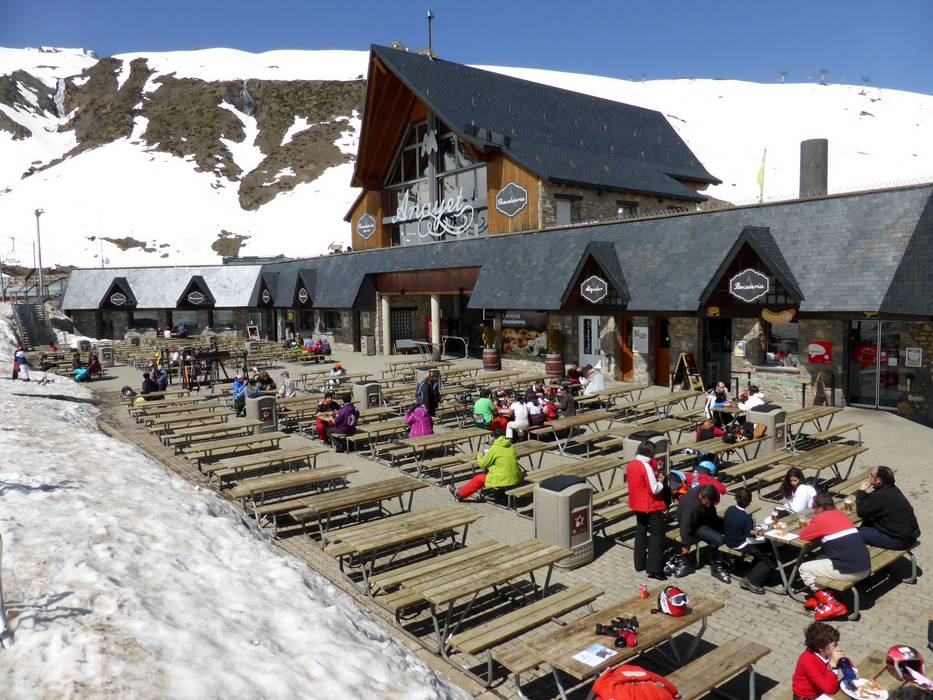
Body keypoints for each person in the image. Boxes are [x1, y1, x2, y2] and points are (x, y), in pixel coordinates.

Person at [798, 490, 871, 620]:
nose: (813, 509)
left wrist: (811, 525)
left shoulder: (820, 519)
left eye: (814, 507)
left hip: (852, 571)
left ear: (820, 508)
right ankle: (822, 596)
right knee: (820, 558)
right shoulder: (841, 514)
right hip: (865, 566)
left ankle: (830, 603)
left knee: (804, 568)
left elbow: (803, 536)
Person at [626, 443, 668, 580]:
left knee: (641, 530)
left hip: (637, 504)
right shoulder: (646, 467)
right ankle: (654, 569)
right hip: (649, 505)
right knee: (657, 533)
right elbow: (654, 489)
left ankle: (639, 564)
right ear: (650, 453)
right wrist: (661, 482)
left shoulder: (631, 464)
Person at [674, 483, 731, 583]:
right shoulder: (691, 505)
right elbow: (685, 525)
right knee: (718, 540)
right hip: (694, 525)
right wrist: (685, 545)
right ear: (701, 496)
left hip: (704, 518)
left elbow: (712, 513)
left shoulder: (707, 495)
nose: (708, 505)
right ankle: (715, 566)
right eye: (707, 502)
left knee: (729, 527)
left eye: (710, 503)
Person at [855, 466, 920, 550]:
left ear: (878, 480)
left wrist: (861, 491)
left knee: (850, 533)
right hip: (910, 537)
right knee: (869, 519)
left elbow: (861, 512)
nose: (869, 477)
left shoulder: (882, 495)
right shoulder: (893, 489)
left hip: (899, 541)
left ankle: (854, 555)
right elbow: (871, 504)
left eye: (871, 475)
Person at [724, 487, 774, 594]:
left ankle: (758, 572)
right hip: (740, 544)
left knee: (762, 551)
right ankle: (751, 580)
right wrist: (763, 538)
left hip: (729, 540)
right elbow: (750, 537)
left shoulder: (730, 509)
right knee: (769, 558)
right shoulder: (746, 518)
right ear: (749, 502)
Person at [451, 434, 522, 501]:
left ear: (493, 437)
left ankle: (459, 494)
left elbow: (483, 464)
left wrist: (479, 455)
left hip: (503, 479)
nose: (489, 438)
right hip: (515, 477)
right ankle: (502, 491)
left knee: (478, 479)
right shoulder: (510, 446)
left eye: (490, 436)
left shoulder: (495, 448)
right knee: (493, 470)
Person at [791, 622, 844, 699]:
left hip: (820, 691)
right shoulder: (807, 660)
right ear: (820, 647)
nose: (838, 648)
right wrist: (833, 664)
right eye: (834, 645)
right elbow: (830, 690)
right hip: (806, 697)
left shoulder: (825, 653)